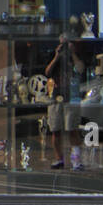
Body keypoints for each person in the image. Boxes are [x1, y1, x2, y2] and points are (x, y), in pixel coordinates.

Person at [44, 34, 87, 169]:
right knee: (55, 129)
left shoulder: (76, 55)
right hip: (55, 96)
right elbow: (47, 72)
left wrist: (73, 54)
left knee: (72, 128)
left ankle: (76, 160)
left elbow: (80, 69)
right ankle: (59, 159)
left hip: (71, 95)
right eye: (62, 42)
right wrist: (57, 56)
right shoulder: (53, 54)